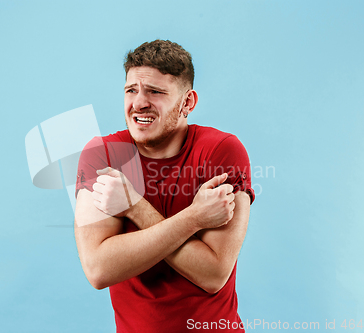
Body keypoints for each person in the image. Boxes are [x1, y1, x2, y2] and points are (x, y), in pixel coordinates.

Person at [74, 40, 255, 333]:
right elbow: (98, 268)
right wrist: (195, 218)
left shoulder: (221, 151)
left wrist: (133, 205)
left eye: (155, 92)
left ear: (188, 102)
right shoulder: (104, 154)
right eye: (131, 90)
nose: (139, 102)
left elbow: (213, 274)